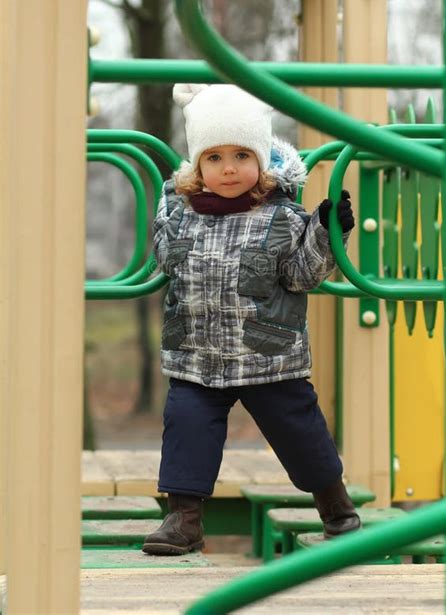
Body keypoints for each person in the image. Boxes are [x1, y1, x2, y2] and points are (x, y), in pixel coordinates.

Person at [142, 83, 359, 556]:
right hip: (196, 355)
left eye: (241, 154)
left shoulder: (281, 216)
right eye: (214, 158)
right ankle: (183, 519)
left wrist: (326, 231)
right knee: (185, 429)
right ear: (197, 166)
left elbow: (303, 275)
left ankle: (336, 507)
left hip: (269, 356)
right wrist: (162, 215)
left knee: (301, 434)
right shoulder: (180, 212)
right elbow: (165, 260)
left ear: (261, 160)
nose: (229, 168)